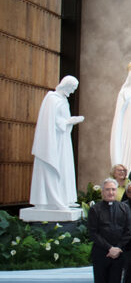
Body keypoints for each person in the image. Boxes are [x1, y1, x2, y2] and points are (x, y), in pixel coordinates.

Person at [29, 76, 84, 210]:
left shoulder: (64, 100)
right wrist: (70, 121)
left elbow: (61, 121)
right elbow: (50, 122)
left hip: (63, 140)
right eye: (71, 88)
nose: (72, 92)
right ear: (65, 85)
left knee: (65, 167)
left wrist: (69, 121)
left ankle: (65, 198)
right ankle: (53, 200)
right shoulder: (52, 99)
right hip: (53, 141)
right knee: (54, 168)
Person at [88, 179, 131, 283]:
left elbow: (128, 231)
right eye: (107, 190)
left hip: (118, 256)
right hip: (101, 255)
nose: (111, 192)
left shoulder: (124, 208)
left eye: (113, 189)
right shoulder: (95, 209)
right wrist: (109, 248)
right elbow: (93, 233)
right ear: (102, 191)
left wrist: (118, 248)